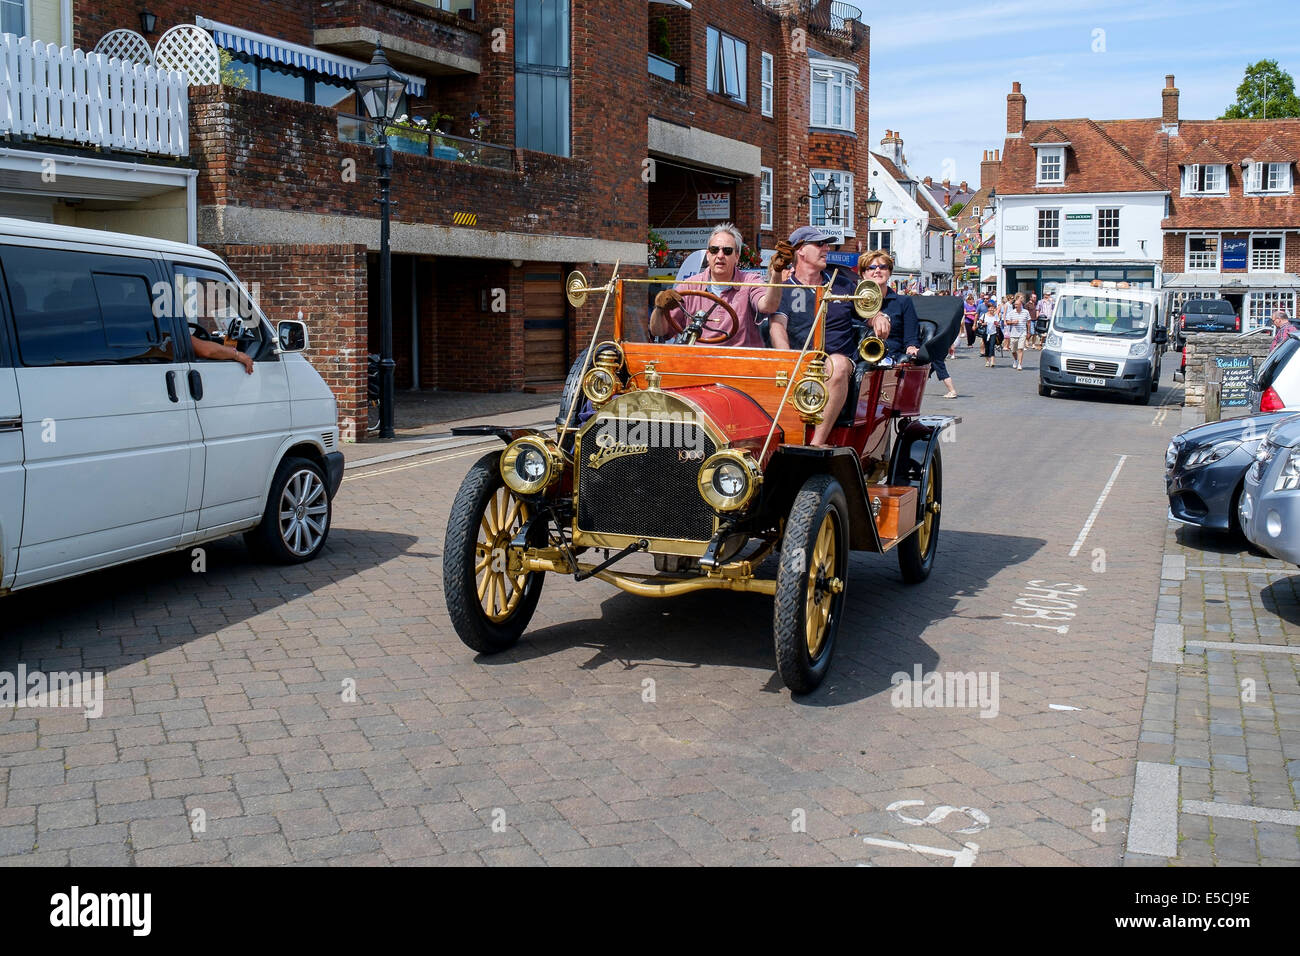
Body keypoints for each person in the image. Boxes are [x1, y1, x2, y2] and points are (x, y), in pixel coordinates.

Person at [769, 226, 859, 446]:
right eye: (819, 244)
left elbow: (867, 312)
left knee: (836, 364)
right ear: (800, 251)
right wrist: (788, 361)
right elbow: (777, 326)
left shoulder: (842, 283)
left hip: (839, 362)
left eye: (826, 244)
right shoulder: (785, 288)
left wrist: (878, 317)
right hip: (801, 363)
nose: (826, 248)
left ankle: (816, 444)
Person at [649, 222, 783, 346]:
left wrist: (776, 273)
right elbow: (658, 332)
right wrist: (660, 309)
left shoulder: (749, 281)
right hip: (699, 363)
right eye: (714, 250)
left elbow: (768, 306)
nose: (720, 255)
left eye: (727, 251)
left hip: (738, 364)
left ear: (737, 256)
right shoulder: (689, 286)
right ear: (708, 255)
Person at [859, 251, 921, 362]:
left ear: (889, 272)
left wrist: (911, 347)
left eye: (883, 267)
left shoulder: (903, 302)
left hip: (892, 358)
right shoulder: (854, 301)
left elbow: (911, 336)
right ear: (863, 274)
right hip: (861, 357)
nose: (877, 271)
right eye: (872, 268)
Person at [1003, 294, 1031, 369]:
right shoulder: (1011, 313)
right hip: (1013, 333)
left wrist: (1029, 332)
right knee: (1013, 350)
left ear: (1020, 304)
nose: (1015, 306)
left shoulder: (1026, 312)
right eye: (1015, 304)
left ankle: (1020, 364)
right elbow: (1007, 322)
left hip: (1023, 333)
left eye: (1017, 304)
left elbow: (1028, 322)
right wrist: (1013, 322)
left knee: (1020, 349)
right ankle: (1015, 360)